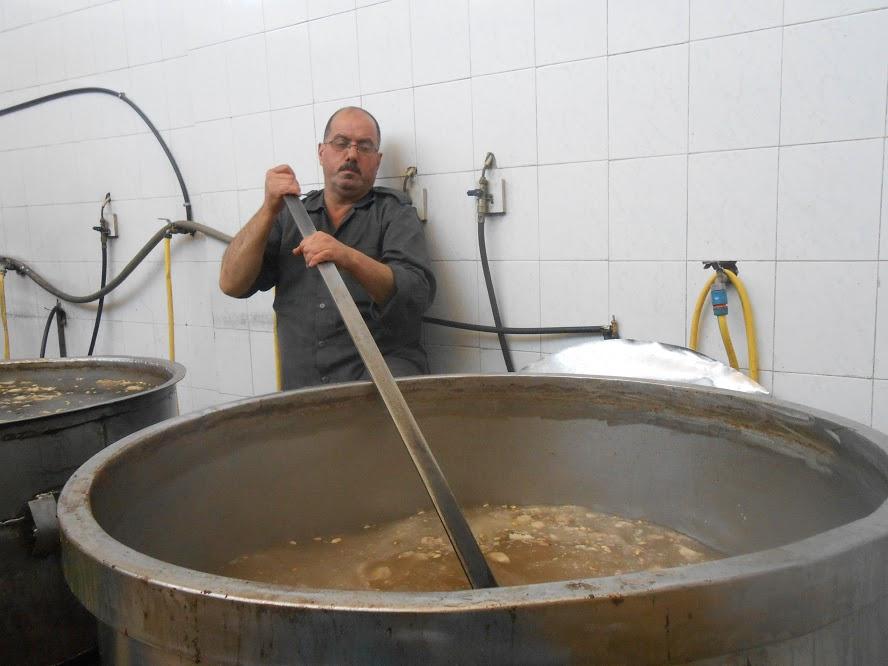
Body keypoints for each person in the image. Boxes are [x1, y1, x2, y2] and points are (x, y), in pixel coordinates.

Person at [219, 106, 436, 390]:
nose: (352, 155)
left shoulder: (396, 214)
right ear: (321, 152)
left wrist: (347, 257)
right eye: (341, 143)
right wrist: (268, 209)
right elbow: (231, 283)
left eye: (365, 147)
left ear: (377, 161)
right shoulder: (289, 216)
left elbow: (416, 294)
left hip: (379, 394)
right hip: (305, 394)